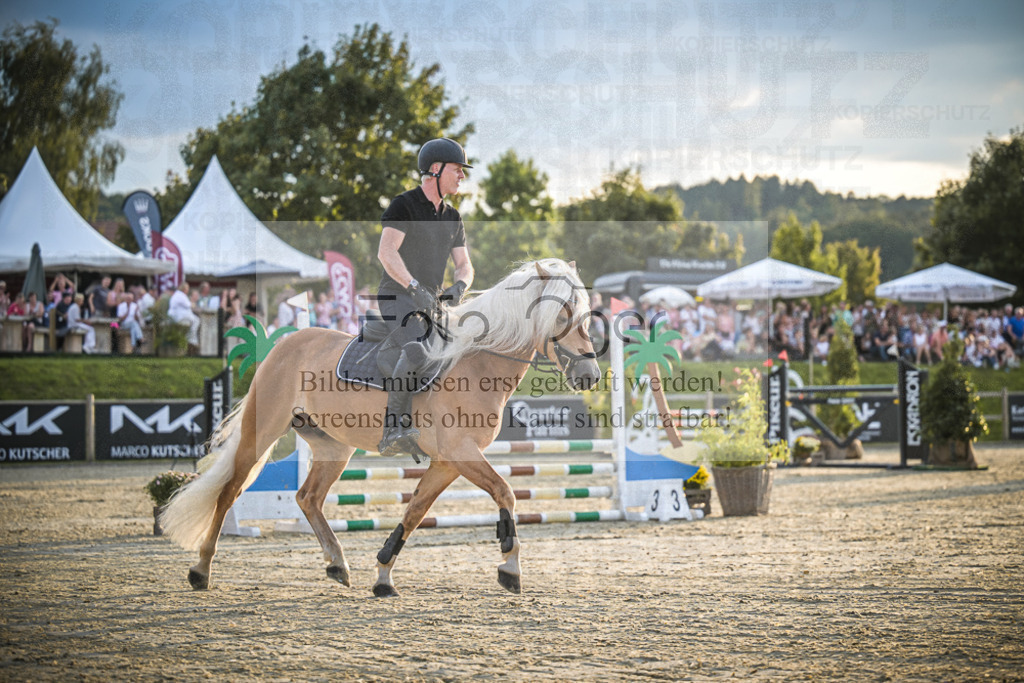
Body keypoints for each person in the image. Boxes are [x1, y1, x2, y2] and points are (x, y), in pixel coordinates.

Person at [375, 137, 475, 457]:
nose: (462, 176)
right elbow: (386, 253)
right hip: (396, 295)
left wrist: (459, 287)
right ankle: (394, 428)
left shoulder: (453, 217)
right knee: (418, 348)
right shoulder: (403, 205)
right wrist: (413, 286)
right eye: (458, 170)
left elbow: (464, 266)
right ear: (436, 169)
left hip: (431, 302)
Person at [168, 282, 201, 351]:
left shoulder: (178, 294)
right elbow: (189, 305)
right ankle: (191, 339)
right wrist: (193, 304)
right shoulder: (180, 295)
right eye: (187, 288)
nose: (188, 290)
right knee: (197, 320)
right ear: (184, 289)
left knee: (195, 320)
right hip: (179, 317)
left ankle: (192, 339)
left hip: (177, 316)